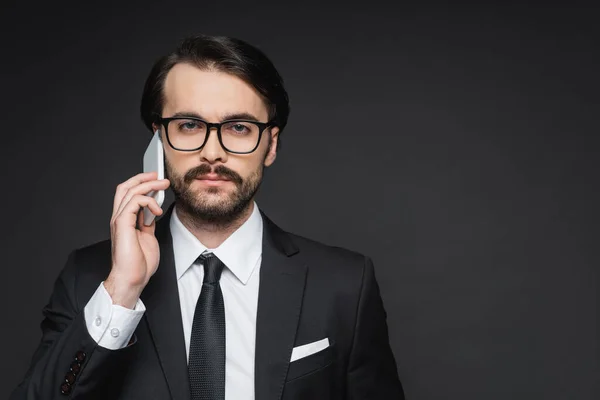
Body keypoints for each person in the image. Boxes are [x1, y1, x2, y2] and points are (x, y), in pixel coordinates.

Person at [10, 34, 404, 400]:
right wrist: (121, 292)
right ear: (159, 139)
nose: (212, 152)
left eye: (238, 127)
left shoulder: (346, 285)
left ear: (271, 144)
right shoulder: (89, 278)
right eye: (189, 125)